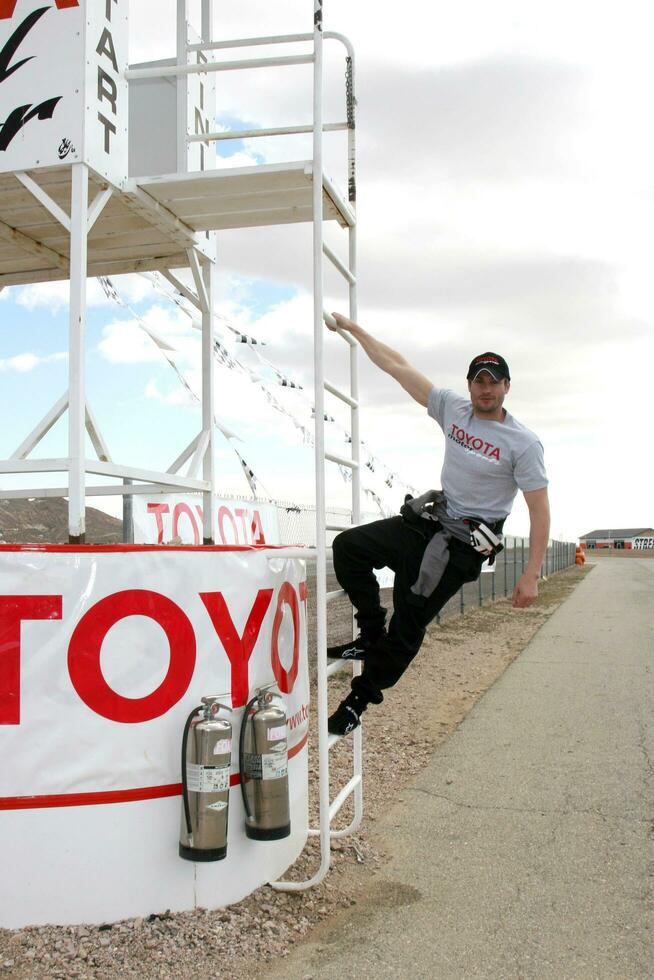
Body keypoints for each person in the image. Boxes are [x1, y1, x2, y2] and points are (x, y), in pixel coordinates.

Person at [326, 312, 550, 737]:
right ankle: (369, 633)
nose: (486, 388)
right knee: (350, 547)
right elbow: (398, 366)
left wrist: (531, 574)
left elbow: (540, 511)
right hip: (428, 524)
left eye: (494, 381)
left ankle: (359, 700)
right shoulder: (452, 408)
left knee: (409, 625)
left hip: (461, 548)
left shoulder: (523, 443)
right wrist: (355, 331)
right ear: (469, 385)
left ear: (506, 387)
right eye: (479, 380)